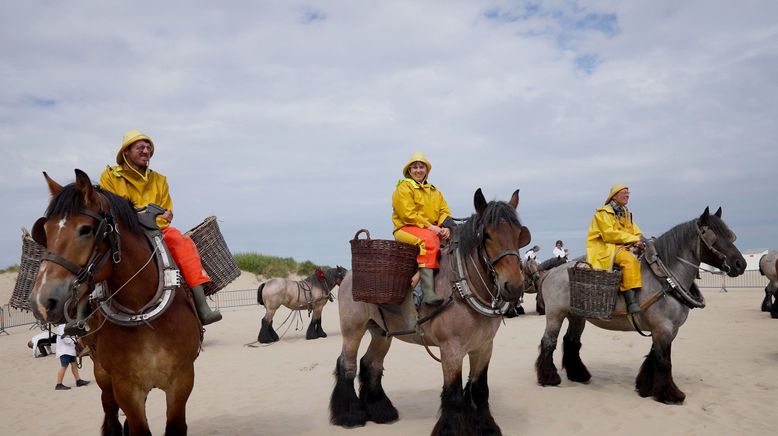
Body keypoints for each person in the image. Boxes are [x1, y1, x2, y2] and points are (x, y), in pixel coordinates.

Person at [99, 130, 222, 325]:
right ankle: (82, 314)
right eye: (140, 147)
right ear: (126, 152)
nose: (146, 151)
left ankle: (202, 306)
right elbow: (110, 208)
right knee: (91, 250)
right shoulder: (110, 176)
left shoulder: (159, 179)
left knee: (182, 242)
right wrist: (144, 213)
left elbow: (166, 213)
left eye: (148, 148)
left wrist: (156, 216)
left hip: (156, 230)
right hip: (123, 231)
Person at [391, 151, 455, 306]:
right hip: (406, 228)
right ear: (409, 171)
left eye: (421, 167)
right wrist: (431, 227)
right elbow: (408, 214)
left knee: (455, 240)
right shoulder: (404, 187)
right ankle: (426, 293)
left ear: (426, 170)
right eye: (415, 167)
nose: (418, 170)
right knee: (430, 240)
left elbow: (444, 211)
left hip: (430, 229)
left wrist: (445, 228)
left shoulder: (435, 191)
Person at [586, 184, 645, 314]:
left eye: (628, 192)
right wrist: (634, 240)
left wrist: (641, 240)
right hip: (608, 248)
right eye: (624, 192)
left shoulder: (626, 213)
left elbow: (635, 231)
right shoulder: (602, 213)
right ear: (614, 196)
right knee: (629, 260)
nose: (627, 195)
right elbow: (609, 234)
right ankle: (631, 302)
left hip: (624, 245)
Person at [53, 324, 90, 390]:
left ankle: (78, 380)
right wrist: (75, 341)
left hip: (70, 350)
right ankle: (59, 384)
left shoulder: (68, 325)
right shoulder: (62, 327)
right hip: (64, 350)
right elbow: (64, 339)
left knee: (74, 365)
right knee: (64, 366)